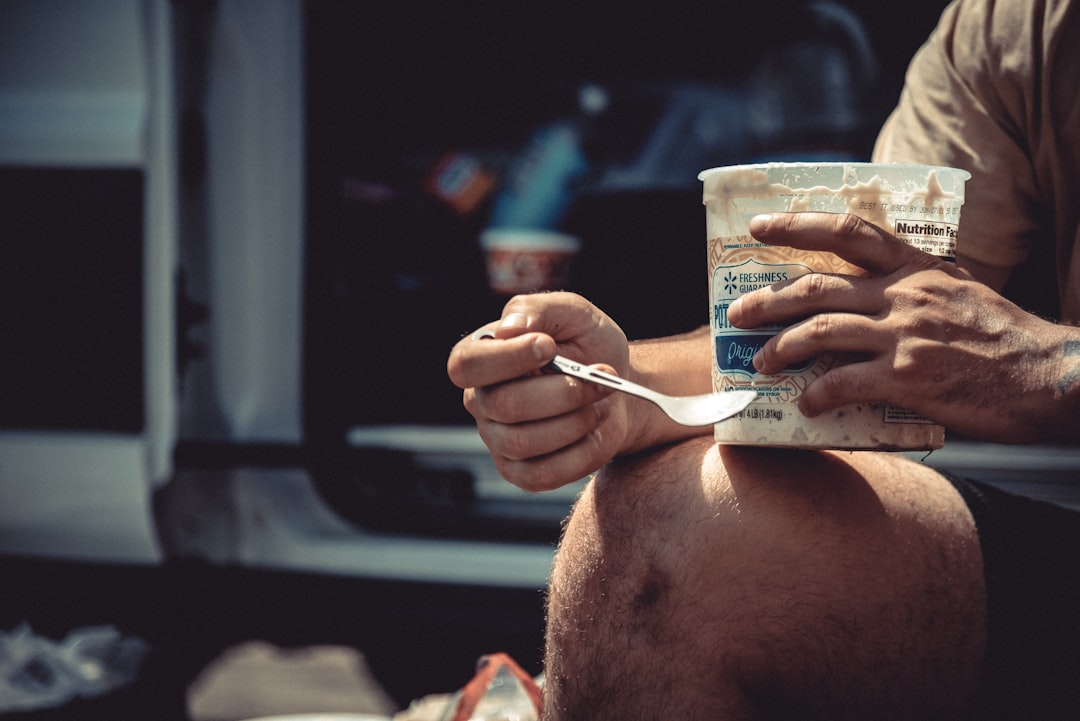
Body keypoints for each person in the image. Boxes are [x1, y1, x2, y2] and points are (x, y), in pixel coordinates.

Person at [446, 0, 1080, 718]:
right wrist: (623, 390)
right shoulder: (1009, 27)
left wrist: (1048, 366)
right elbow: (860, 319)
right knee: (661, 532)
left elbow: (1002, 350)